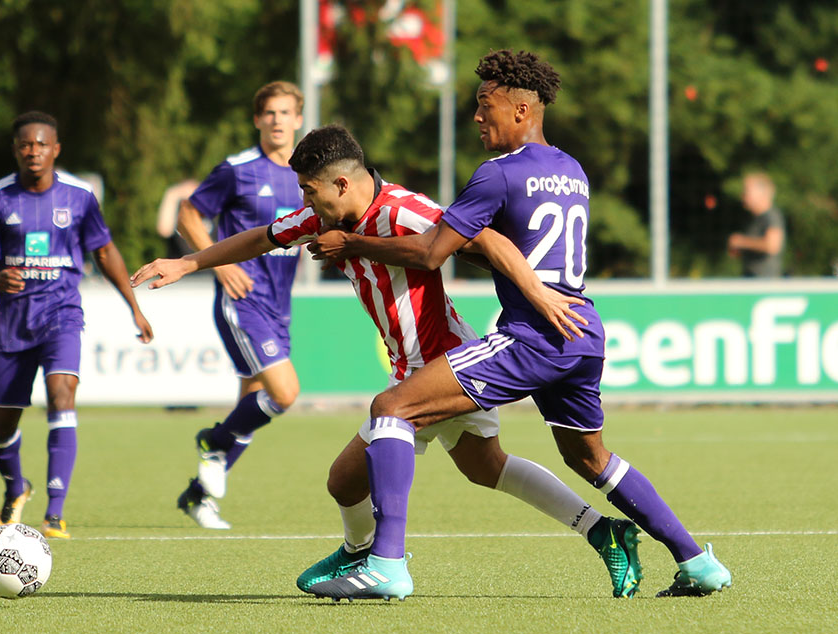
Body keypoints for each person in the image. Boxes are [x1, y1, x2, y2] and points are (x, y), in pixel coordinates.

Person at [132, 124, 645, 599]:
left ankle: (376, 560)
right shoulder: (320, 216)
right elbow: (263, 238)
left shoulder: (405, 209)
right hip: (414, 364)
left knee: (351, 472)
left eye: (309, 189)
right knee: (485, 468)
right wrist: (187, 262)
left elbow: (487, 239)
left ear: (338, 183)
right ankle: (603, 530)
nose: (303, 200)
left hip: (443, 362)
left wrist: (538, 293)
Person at [306, 50, 732, 601]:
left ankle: (385, 564)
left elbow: (434, 253)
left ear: (522, 107)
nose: (477, 116)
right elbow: (496, 249)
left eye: (487, 105)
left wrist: (353, 242)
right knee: (590, 458)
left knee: (392, 407)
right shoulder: (572, 170)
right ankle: (697, 562)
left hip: (532, 338)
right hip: (581, 328)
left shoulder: (497, 174)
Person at [0, 110, 153, 539]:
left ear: (56, 149)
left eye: (41, 144)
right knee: (2, 425)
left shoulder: (79, 196)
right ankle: (16, 487)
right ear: (16, 150)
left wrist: (134, 307)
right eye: (25, 145)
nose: (33, 151)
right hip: (13, 323)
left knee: (62, 393)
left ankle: (55, 511)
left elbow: (105, 252)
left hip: (61, 314)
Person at [169, 81, 305, 529]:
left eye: (286, 113)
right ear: (257, 120)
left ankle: (199, 495)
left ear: (298, 120)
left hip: (279, 305)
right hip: (241, 299)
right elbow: (187, 214)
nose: (277, 120)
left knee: (251, 405)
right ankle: (211, 441)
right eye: (269, 113)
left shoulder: (310, 173)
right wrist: (219, 265)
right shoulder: (237, 169)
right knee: (284, 393)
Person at [728, 171, 785, 277]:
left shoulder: (771, 216)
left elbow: (772, 245)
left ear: (761, 193)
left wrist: (741, 242)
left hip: (764, 283)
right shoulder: (753, 218)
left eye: (747, 192)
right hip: (750, 279)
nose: (743, 196)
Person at [156, 179, 200, 259]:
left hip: (211, 269)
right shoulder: (177, 216)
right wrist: (172, 194)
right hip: (180, 268)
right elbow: (164, 230)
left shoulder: (212, 216)